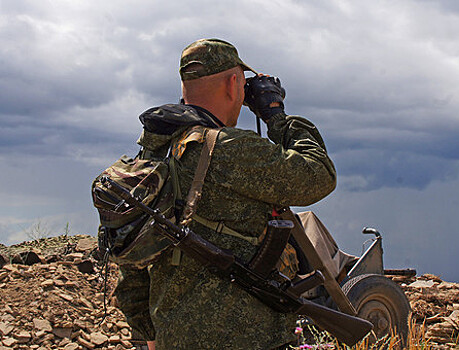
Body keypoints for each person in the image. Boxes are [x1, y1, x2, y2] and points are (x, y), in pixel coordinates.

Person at [114, 38, 337, 350]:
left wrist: (148, 334)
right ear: (234, 84)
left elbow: (132, 255)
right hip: (247, 338)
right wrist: (276, 116)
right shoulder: (230, 149)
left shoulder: (151, 154)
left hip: (171, 337)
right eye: (243, 84)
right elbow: (319, 176)